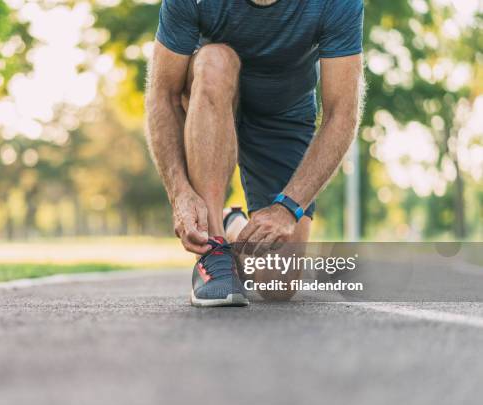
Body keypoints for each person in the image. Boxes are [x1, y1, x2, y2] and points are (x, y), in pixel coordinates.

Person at [145, 0, 365, 307]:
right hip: (212, 97)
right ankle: (216, 250)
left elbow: (342, 114)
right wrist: (179, 192)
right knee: (214, 60)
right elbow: (163, 94)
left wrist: (288, 207)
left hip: (283, 117)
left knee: (278, 283)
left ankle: (231, 223)